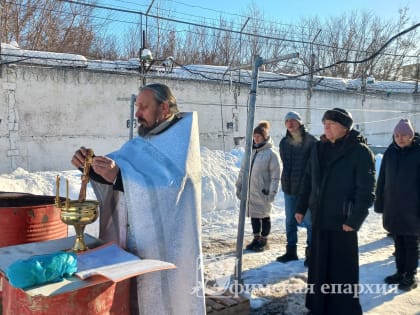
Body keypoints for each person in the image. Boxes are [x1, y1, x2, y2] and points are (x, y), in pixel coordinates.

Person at [71, 83, 206, 315]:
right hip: (135, 242)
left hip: (165, 249)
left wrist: (120, 175)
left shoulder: (180, 144)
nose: (137, 114)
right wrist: (91, 167)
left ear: (164, 108)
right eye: (137, 107)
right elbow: (120, 168)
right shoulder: (141, 143)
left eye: (143, 107)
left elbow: (171, 187)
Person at [295, 108, 375, 315]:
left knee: (342, 269)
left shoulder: (359, 152)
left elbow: (366, 191)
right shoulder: (318, 148)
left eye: (331, 123)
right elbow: (307, 180)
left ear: (344, 127)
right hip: (320, 218)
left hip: (343, 222)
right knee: (319, 266)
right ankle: (318, 306)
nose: (326, 127)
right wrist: (301, 207)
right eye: (324, 123)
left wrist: (354, 220)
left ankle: (344, 309)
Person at [374, 118, 420, 291]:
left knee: (411, 242)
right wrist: (380, 203)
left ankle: (410, 275)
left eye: (404, 135)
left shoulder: (418, 152)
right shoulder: (390, 152)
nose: (400, 138)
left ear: (411, 135)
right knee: (398, 240)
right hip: (393, 206)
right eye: (397, 135)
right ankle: (400, 272)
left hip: (413, 208)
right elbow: (382, 180)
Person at [276, 111, 317, 266]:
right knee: (290, 221)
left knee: (309, 222)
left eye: (293, 120)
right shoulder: (283, 143)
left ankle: (311, 254)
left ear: (300, 123)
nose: (290, 123)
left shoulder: (311, 141)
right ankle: (291, 251)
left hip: (306, 191)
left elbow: (315, 167)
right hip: (289, 189)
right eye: (287, 121)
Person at [236, 121, 281, 252]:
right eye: (254, 136)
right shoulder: (250, 152)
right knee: (254, 215)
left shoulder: (271, 154)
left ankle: (264, 240)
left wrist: (272, 192)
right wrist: (239, 186)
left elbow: (276, 176)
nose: (256, 138)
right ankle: (256, 238)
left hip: (264, 192)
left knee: (264, 216)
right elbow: (243, 171)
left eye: (259, 136)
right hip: (251, 191)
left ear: (265, 137)